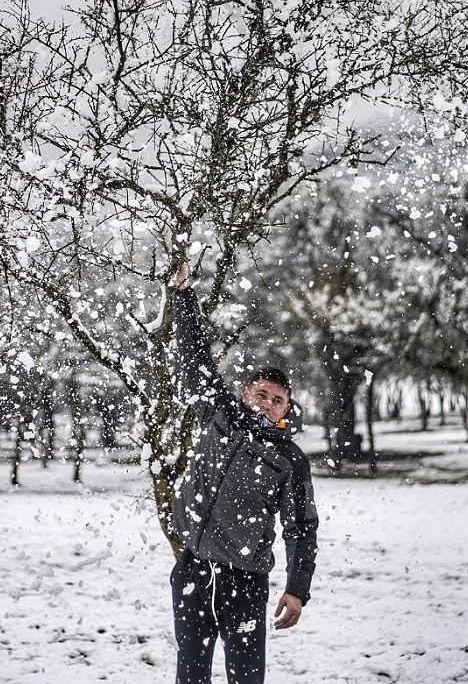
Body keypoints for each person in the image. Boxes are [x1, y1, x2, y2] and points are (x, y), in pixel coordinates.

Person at [169, 263, 319, 684]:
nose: (268, 404)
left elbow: (301, 527)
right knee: (190, 675)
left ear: (286, 409)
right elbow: (194, 359)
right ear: (245, 394)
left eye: (278, 400)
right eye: (261, 394)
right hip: (193, 572)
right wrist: (182, 296)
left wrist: (296, 588)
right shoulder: (218, 415)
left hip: (245, 585)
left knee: (246, 680)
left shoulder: (289, 460)